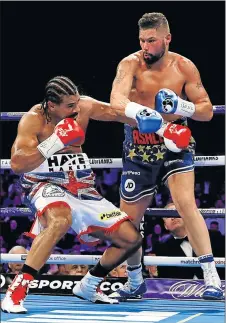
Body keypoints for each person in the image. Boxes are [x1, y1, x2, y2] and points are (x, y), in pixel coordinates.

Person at [1, 75, 145, 313]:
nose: (76, 109)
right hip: (43, 183)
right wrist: (54, 142)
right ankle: (16, 291)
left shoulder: (84, 107)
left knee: (131, 239)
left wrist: (159, 123)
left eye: (77, 102)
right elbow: (17, 164)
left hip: (81, 186)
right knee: (59, 220)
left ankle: (89, 284)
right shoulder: (33, 120)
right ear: (51, 105)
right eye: (70, 106)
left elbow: (118, 113)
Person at [109, 12, 223, 300]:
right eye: (141, 41)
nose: (145, 47)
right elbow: (116, 100)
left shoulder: (184, 67)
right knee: (128, 219)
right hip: (138, 144)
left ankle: (212, 278)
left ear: (167, 39)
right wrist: (141, 112)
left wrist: (182, 106)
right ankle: (135, 281)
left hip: (175, 141)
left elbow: (207, 110)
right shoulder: (130, 63)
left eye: (151, 41)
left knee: (186, 203)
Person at [152, 203, 203, 280]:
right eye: (168, 216)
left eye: (175, 212)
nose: (173, 217)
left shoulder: (208, 239)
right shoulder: (161, 250)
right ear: (165, 226)